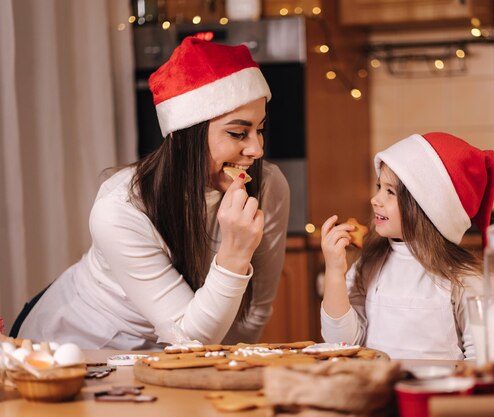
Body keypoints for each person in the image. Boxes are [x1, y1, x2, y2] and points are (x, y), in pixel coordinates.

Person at [12, 34, 290, 350]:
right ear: (189, 136)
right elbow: (192, 340)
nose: (256, 148)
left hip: (176, 354)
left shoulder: (269, 187)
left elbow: (252, 313)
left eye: (260, 129)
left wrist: (219, 369)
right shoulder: (120, 209)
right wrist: (235, 254)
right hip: (82, 346)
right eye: (238, 133)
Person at [320, 132, 494, 360]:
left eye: (390, 192)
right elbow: (341, 345)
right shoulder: (368, 266)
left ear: (427, 207)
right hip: (378, 392)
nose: (375, 199)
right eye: (379, 187)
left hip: (439, 395)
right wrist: (334, 271)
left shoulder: (463, 278)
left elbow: (481, 358)